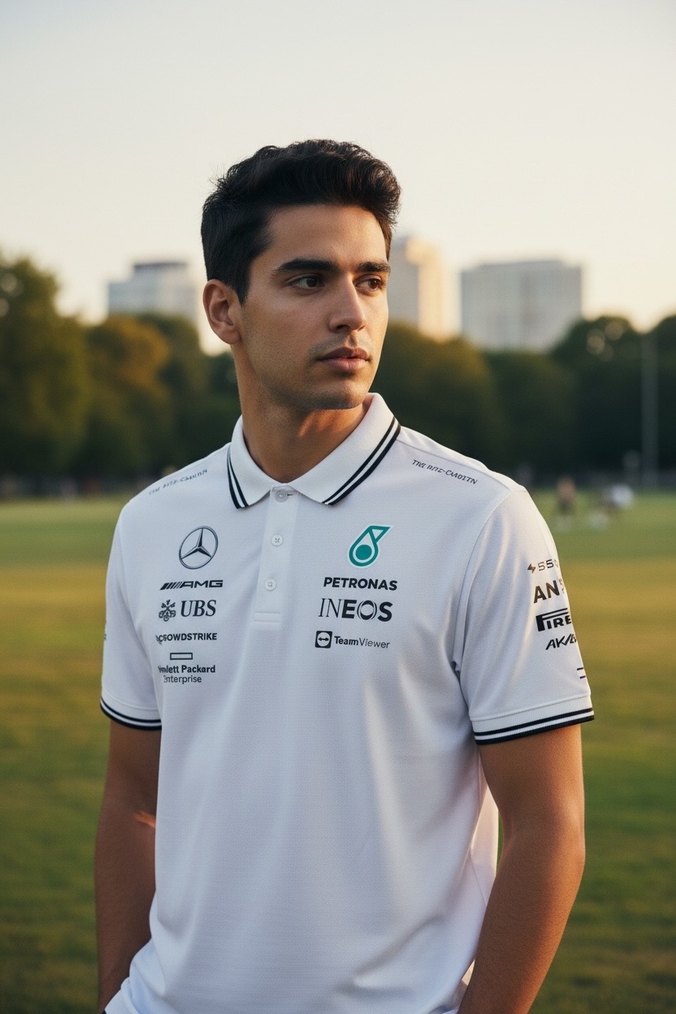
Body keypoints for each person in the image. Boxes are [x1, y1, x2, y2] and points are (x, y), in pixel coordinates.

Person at [95, 140, 593, 1014]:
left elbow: (548, 823)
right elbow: (136, 800)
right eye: (308, 280)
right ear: (224, 310)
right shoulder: (152, 524)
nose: (351, 313)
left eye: (371, 280)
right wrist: (118, 995)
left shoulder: (483, 517)